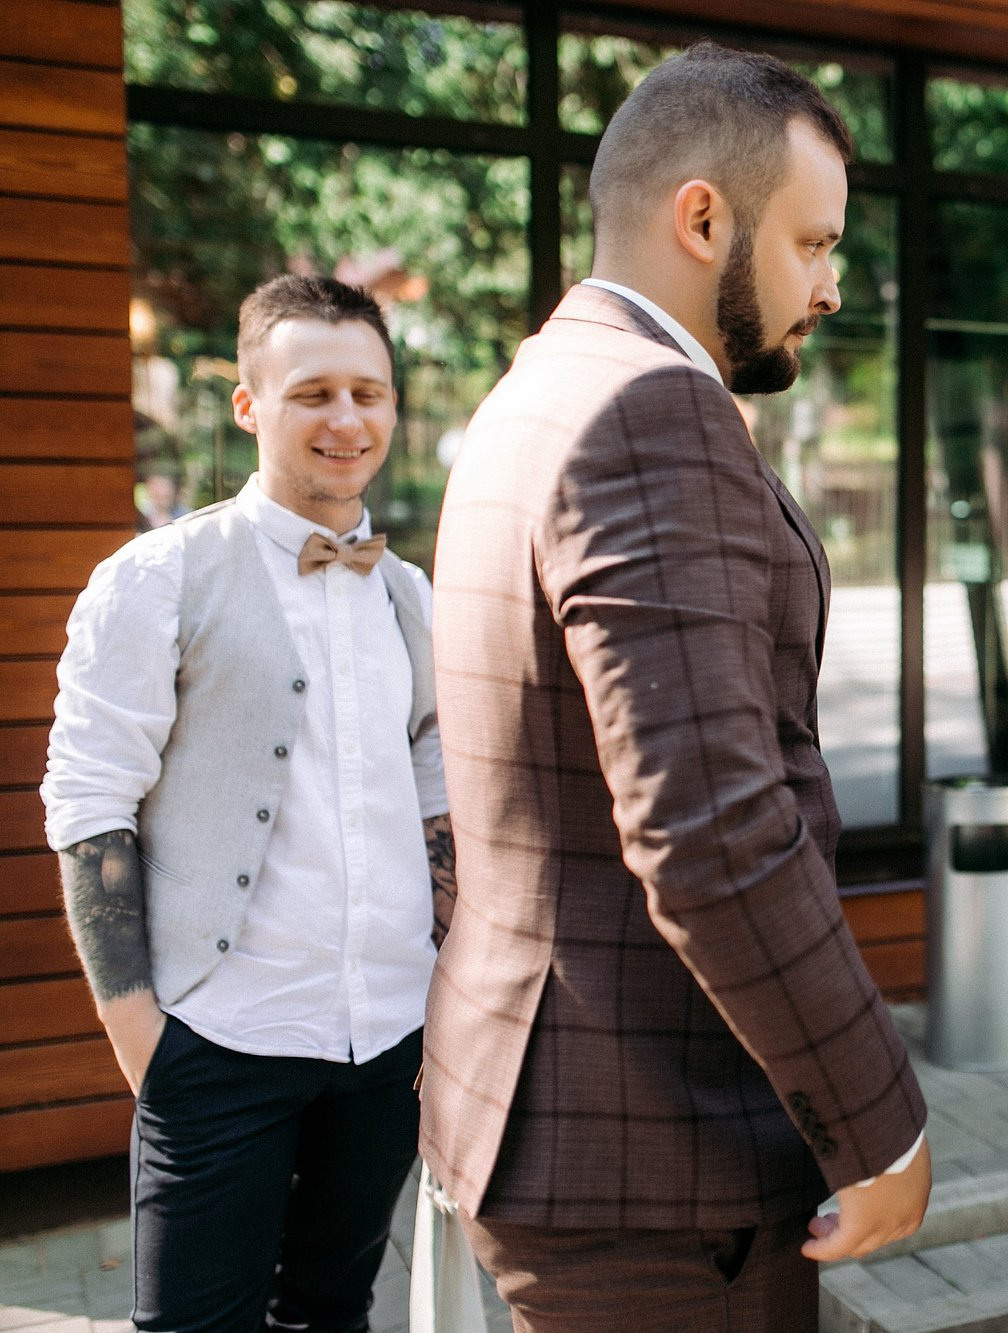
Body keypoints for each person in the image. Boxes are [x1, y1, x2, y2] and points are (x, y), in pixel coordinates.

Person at [420, 41, 929, 1331]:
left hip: (569, 1122)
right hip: (652, 1149)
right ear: (702, 217)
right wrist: (880, 1122)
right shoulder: (653, 408)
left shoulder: (535, 390)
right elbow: (707, 829)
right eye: (812, 244)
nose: (828, 286)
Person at [41, 274, 455, 1332]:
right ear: (249, 405)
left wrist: (445, 988)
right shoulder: (156, 579)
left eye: (368, 391)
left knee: (329, 1313)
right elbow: (91, 802)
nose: (346, 419)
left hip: (384, 1041)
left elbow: (436, 801)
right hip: (219, 1037)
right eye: (313, 391)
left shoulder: (411, 594)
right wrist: (145, 1038)